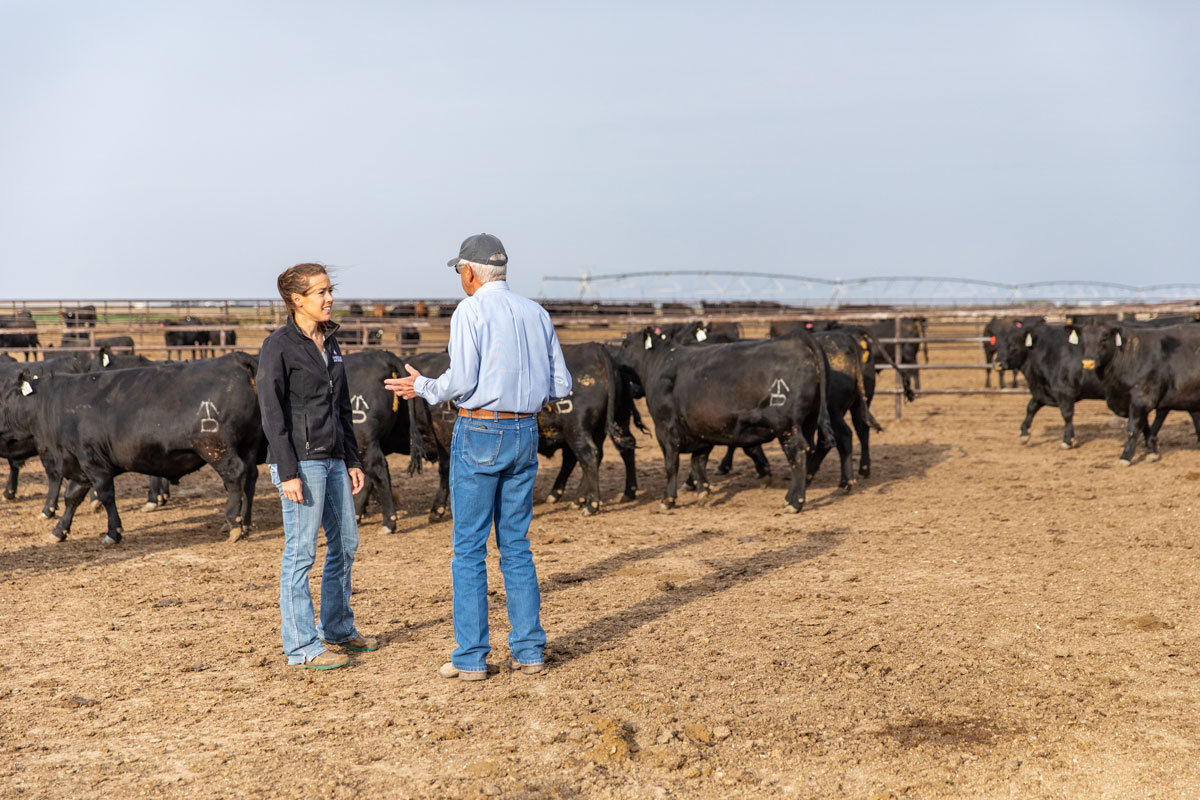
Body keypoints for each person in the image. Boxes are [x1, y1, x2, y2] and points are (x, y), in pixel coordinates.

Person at [387, 234, 571, 681]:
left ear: (469, 271)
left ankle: (471, 657)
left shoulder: (470, 310)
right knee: (516, 545)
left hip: (481, 430)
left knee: (468, 548)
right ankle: (529, 651)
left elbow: (461, 379)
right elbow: (561, 385)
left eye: (459, 272)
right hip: (525, 430)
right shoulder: (537, 312)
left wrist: (425, 387)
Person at [257, 262, 377, 670]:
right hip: (301, 465)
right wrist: (287, 471)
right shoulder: (278, 346)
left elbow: (341, 407)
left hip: (333, 459)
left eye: (330, 290)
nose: (329, 298)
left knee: (346, 543)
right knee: (301, 552)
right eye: (321, 292)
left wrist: (352, 459)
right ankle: (301, 646)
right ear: (296, 300)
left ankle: (339, 629)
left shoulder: (331, 342)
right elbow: (272, 414)